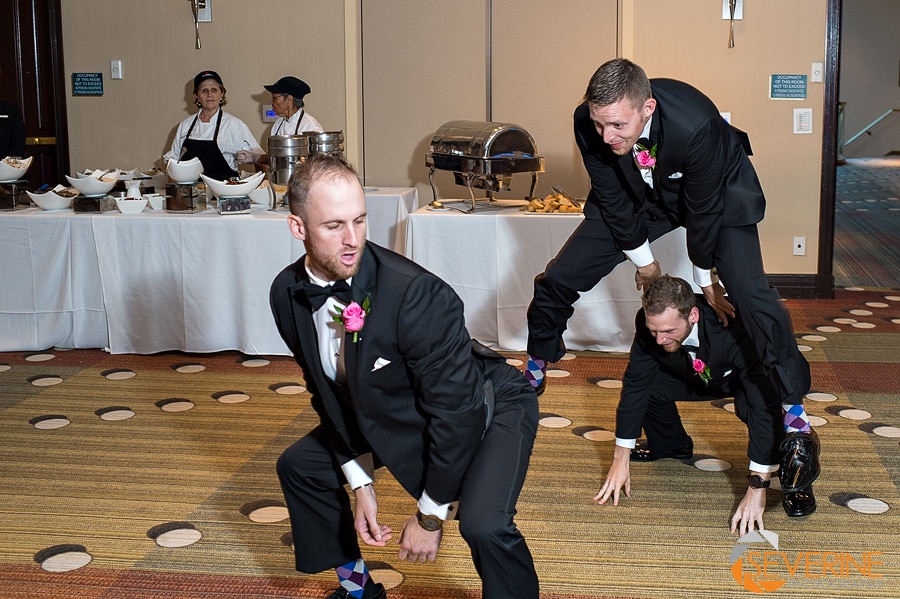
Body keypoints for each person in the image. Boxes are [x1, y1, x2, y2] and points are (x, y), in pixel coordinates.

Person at [523, 58, 820, 494]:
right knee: (558, 278)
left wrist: (706, 280)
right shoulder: (591, 123)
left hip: (716, 191)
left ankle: (794, 413)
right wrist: (645, 262)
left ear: (648, 107)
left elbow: (703, 210)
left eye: (618, 125)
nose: (607, 136)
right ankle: (535, 365)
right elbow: (610, 195)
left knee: (752, 298)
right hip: (640, 196)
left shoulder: (695, 123)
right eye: (599, 123)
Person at [270, 154, 540, 599]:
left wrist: (430, 516)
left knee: (483, 524)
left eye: (360, 220)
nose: (352, 239)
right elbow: (327, 395)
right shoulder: (287, 292)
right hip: (394, 407)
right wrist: (360, 481)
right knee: (301, 465)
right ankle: (358, 590)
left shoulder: (415, 294)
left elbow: (457, 414)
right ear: (298, 227)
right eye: (333, 225)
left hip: (487, 404)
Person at [594, 276, 819, 534]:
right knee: (649, 386)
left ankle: (797, 472)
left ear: (693, 315)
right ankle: (670, 444)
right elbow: (635, 384)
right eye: (654, 330)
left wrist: (758, 486)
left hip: (752, 376)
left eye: (669, 331)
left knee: (758, 409)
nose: (659, 339)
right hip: (700, 373)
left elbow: (760, 407)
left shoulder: (733, 329)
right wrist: (620, 457)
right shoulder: (650, 328)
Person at [163, 70, 263, 181]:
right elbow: (172, 162)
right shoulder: (185, 125)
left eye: (214, 90)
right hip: (193, 193)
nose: (209, 95)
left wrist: (261, 186)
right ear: (196, 95)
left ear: (222, 93)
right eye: (204, 90)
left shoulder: (234, 125)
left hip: (225, 193)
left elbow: (259, 159)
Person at [236, 75, 323, 168]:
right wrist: (254, 157)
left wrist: (257, 158)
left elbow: (317, 164)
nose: (272, 103)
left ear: (289, 100)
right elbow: (275, 158)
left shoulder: (310, 126)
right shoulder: (278, 123)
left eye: (274, 98)